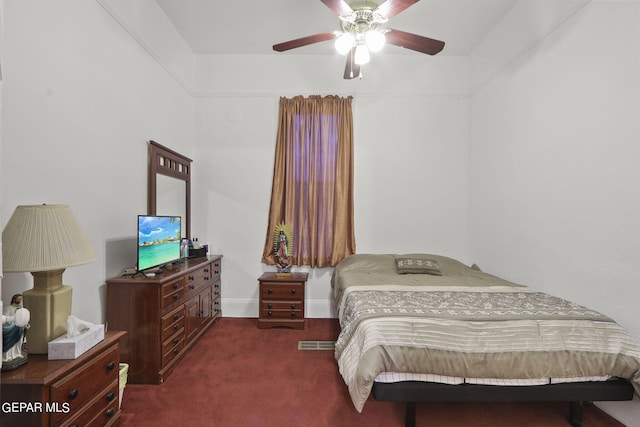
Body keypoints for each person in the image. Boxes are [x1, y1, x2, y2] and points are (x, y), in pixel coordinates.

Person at [2, 294, 30, 371]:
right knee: (9, 341)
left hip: (19, 327)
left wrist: (25, 323)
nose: (20, 301)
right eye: (18, 299)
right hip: (11, 328)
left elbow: (23, 317)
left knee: (18, 341)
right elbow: (5, 320)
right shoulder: (8, 308)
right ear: (14, 299)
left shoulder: (20, 308)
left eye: (21, 299)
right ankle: (7, 356)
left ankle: (17, 353)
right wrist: (14, 317)